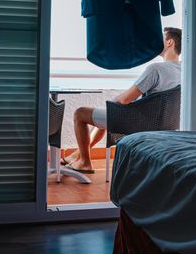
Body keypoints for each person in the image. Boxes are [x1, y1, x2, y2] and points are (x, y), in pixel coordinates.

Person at [64, 27, 182, 174]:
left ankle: (84, 162)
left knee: (80, 113)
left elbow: (126, 99)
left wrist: (114, 101)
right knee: (106, 114)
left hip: (139, 123)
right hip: (165, 124)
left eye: (161, 38)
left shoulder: (156, 69)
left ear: (170, 42)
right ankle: (78, 154)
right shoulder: (185, 70)